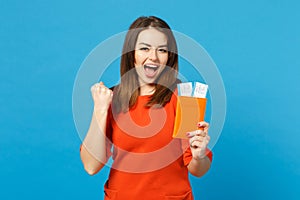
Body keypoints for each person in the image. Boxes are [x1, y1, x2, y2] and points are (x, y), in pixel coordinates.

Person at [80, 16, 212, 200]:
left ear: (169, 56)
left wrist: (198, 156)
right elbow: (91, 166)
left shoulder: (185, 99)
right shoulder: (112, 99)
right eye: (144, 48)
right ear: (131, 54)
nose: (154, 57)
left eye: (162, 50)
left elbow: (198, 170)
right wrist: (101, 109)